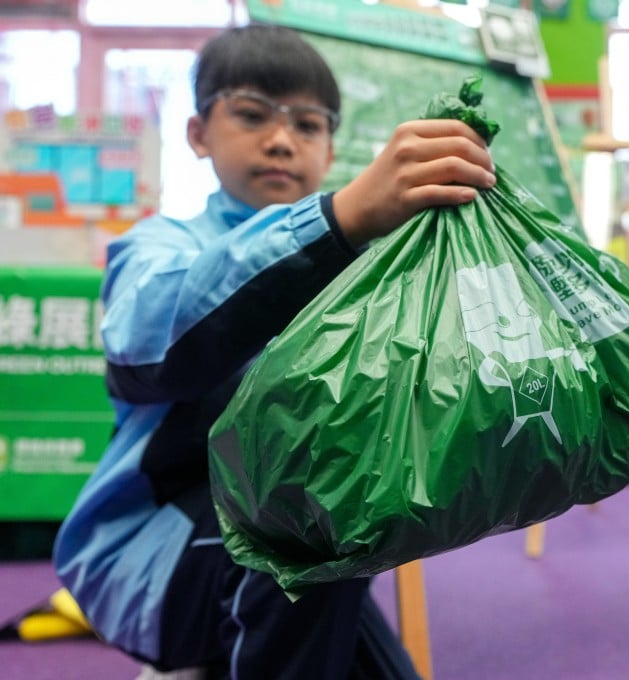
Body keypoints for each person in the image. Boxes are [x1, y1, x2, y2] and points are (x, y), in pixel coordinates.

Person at [53, 24, 496, 679]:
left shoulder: (367, 266)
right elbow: (150, 342)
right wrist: (336, 220)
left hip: (300, 553)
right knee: (309, 516)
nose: (283, 139)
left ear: (330, 145)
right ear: (198, 134)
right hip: (149, 548)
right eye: (253, 115)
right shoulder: (158, 246)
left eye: (309, 125)